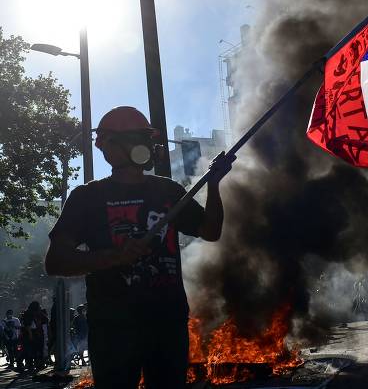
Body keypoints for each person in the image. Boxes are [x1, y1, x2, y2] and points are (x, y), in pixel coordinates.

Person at [44, 106, 234, 389]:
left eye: (146, 138)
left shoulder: (169, 191)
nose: (148, 146)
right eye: (139, 138)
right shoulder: (87, 197)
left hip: (167, 324)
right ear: (110, 145)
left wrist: (215, 184)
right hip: (113, 330)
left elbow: (210, 231)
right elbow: (56, 261)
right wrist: (113, 257)